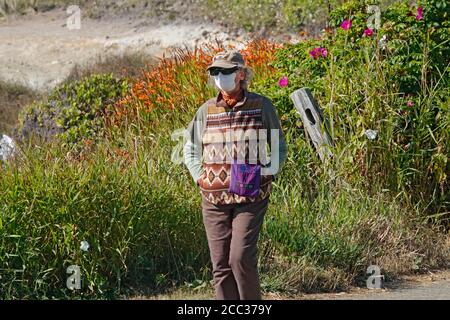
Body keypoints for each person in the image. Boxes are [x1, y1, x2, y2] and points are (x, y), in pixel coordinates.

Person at [183, 49, 287, 300]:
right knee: (220, 264)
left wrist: (268, 173)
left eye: (226, 71)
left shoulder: (261, 105)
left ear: (241, 74)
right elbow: (190, 148)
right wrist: (199, 175)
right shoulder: (206, 110)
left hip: (251, 196)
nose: (220, 76)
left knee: (240, 258)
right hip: (213, 199)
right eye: (215, 72)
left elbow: (279, 145)